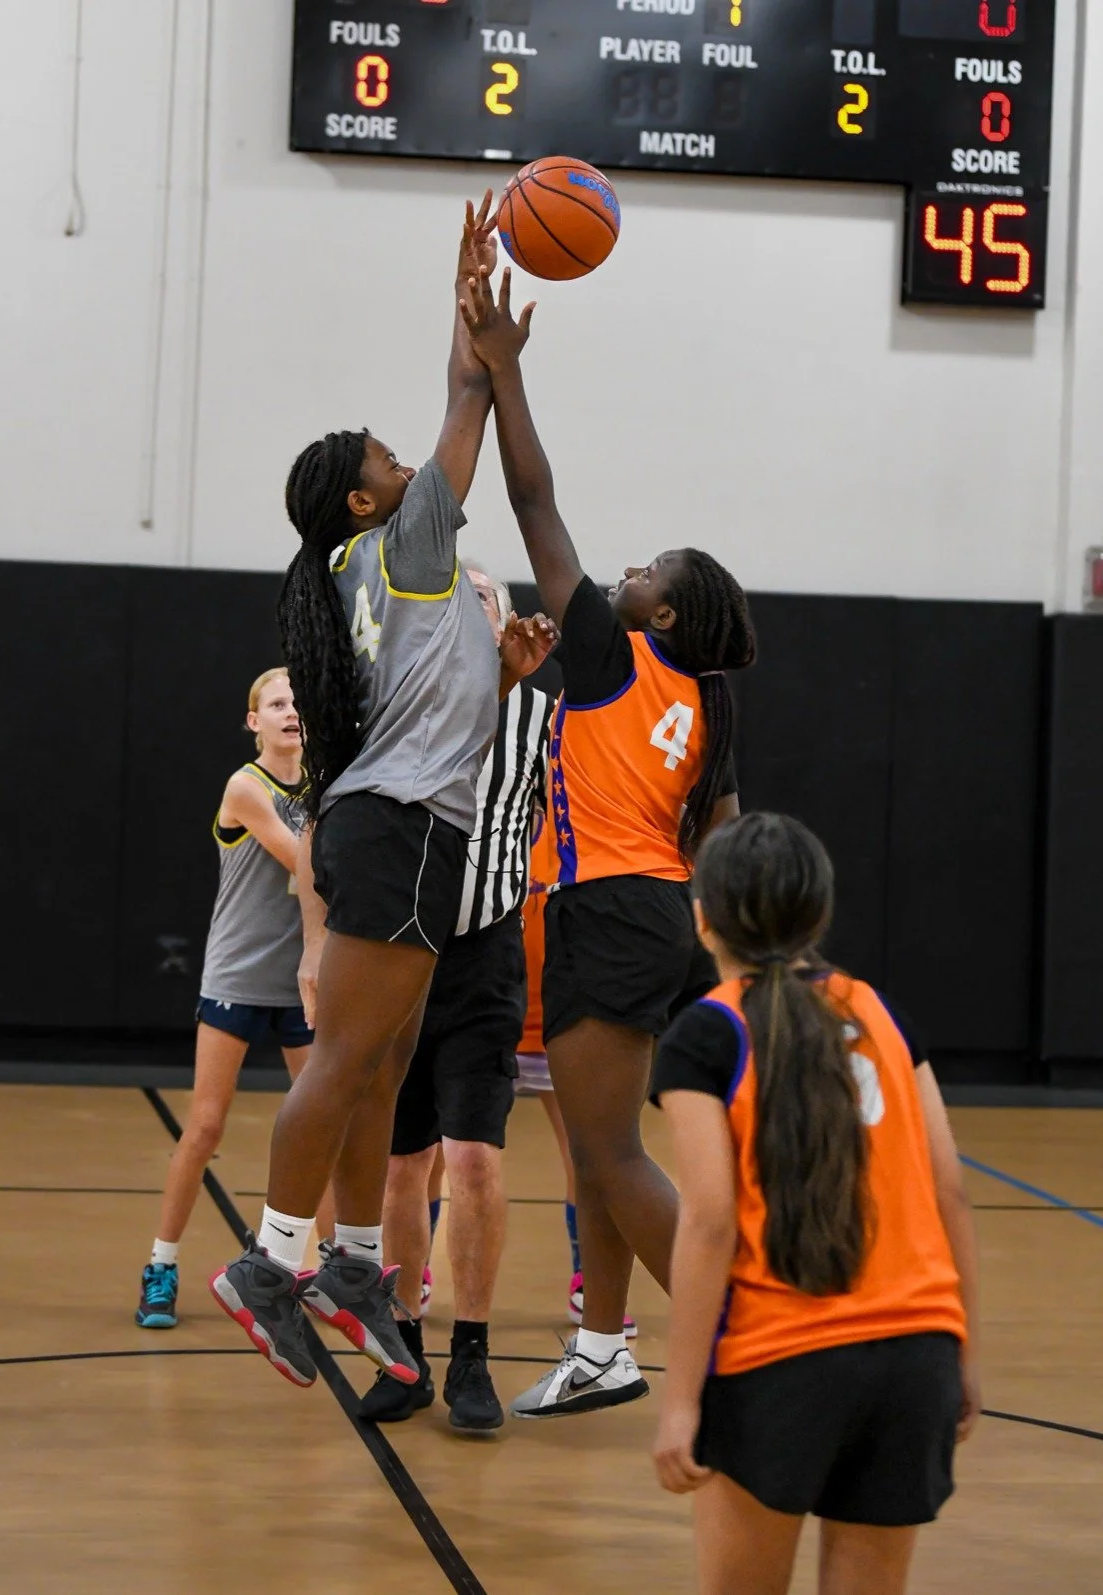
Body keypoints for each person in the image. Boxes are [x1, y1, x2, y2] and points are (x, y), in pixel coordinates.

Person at [209, 199, 556, 1389]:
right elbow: (464, 411)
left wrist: (507, 680)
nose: (406, 467)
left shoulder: (386, 565)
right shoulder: (405, 543)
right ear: (365, 502)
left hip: (413, 828)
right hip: (396, 828)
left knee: (381, 1058)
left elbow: (442, 705)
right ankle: (268, 1263)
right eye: (387, 466)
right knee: (347, 1056)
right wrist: (472, 328)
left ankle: (356, 1260)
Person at [457, 266, 756, 1417]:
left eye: (645, 574)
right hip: (669, 917)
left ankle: (744, 1332)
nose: (624, 571)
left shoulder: (610, 652)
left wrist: (506, 373)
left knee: (611, 1158)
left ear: (661, 613)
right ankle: (600, 1347)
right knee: (595, 1152)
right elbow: (720, 838)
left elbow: (535, 498)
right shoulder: (710, 700)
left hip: (607, 909)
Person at [650, 813, 980, 1595]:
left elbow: (708, 1223)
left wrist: (680, 1400)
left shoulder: (708, 1033)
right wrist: (962, 1351)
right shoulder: (881, 1014)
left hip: (780, 1365)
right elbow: (951, 1191)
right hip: (916, 1358)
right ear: (819, 914)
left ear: (703, 915)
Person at [370, 564, 553, 1430]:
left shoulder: (543, 719)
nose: (464, 608)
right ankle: (402, 1348)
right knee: (404, 1165)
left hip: (486, 957)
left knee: (474, 1157)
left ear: (505, 616)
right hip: (404, 957)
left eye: (478, 595)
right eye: (450, 598)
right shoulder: (403, 704)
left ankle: (470, 1352)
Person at [135, 668, 329, 1327]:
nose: (290, 712)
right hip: (238, 975)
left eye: (298, 703)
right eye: (276, 703)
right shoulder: (246, 788)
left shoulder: (325, 782)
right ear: (254, 721)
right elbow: (306, 862)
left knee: (319, 1126)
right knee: (207, 1123)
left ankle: (329, 1271)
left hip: (302, 981)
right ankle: (160, 1264)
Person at [514, 813, 638, 1337]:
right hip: (492, 1018)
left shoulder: (581, 827)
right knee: (444, 1156)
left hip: (560, 1022)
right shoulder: (491, 822)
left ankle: (589, 1280)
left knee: (585, 1155)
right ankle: (414, 1269)